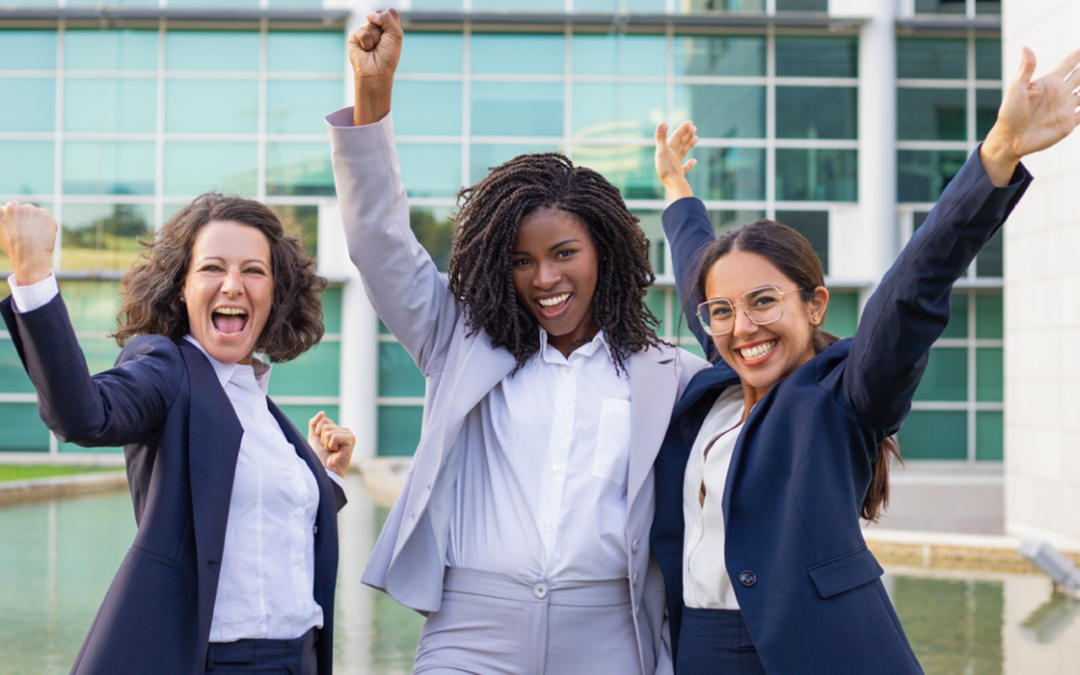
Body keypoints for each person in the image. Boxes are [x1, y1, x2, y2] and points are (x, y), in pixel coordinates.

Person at [647, 46, 1080, 675]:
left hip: (821, 652)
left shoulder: (843, 395)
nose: (743, 327)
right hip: (701, 649)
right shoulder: (715, 383)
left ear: (815, 304)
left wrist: (998, 153)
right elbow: (697, 268)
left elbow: (911, 292)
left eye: (765, 302)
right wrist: (676, 188)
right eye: (722, 311)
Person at [327, 9, 706, 675]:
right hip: (471, 630)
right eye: (521, 260)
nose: (545, 278)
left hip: (612, 633)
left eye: (564, 253)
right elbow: (379, 242)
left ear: (606, 253)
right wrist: (373, 100)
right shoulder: (459, 340)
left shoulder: (671, 373)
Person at [0, 193, 355, 675]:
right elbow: (83, 415)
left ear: (276, 293)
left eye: (253, 270)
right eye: (212, 268)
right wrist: (33, 274)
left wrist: (316, 476)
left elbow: (252, 518)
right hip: (221, 662)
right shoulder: (167, 371)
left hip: (302, 657)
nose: (233, 285)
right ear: (182, 287)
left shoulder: (260, 407)